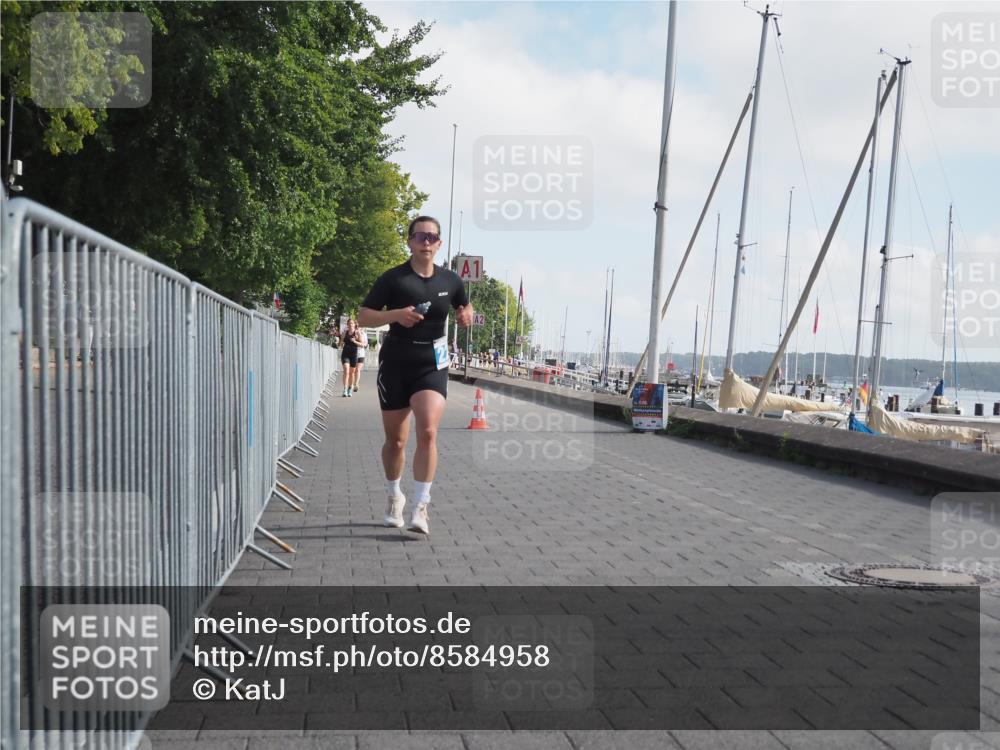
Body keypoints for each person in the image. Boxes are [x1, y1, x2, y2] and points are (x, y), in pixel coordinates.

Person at [357, 216, 473, 534]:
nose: (426, 241)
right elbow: (363, 316)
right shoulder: (393, 279)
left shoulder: (451, 280)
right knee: (396, 441)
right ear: (409, 241)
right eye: (420, 236)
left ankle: (421, 506)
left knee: (429, 433)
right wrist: (397, 315)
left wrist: (466, 314)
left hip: (432, 364)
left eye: (432, 237)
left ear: (439, 244)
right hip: (396, 362)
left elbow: (465, 305)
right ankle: (395, 496)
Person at [340, 319, 364, 397]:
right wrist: (341, 343)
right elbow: (340, 343)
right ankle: (345, 389)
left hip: (354, 354)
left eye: (352, 323)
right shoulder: (344, 333)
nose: (350, 325)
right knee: (346, 371)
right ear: (347, 325)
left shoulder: (357, 333)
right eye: (349, 323)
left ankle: (350, 388)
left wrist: (355, 341)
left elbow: (362, 344)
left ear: (354, 324)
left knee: (352, 373)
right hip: (345, 353)